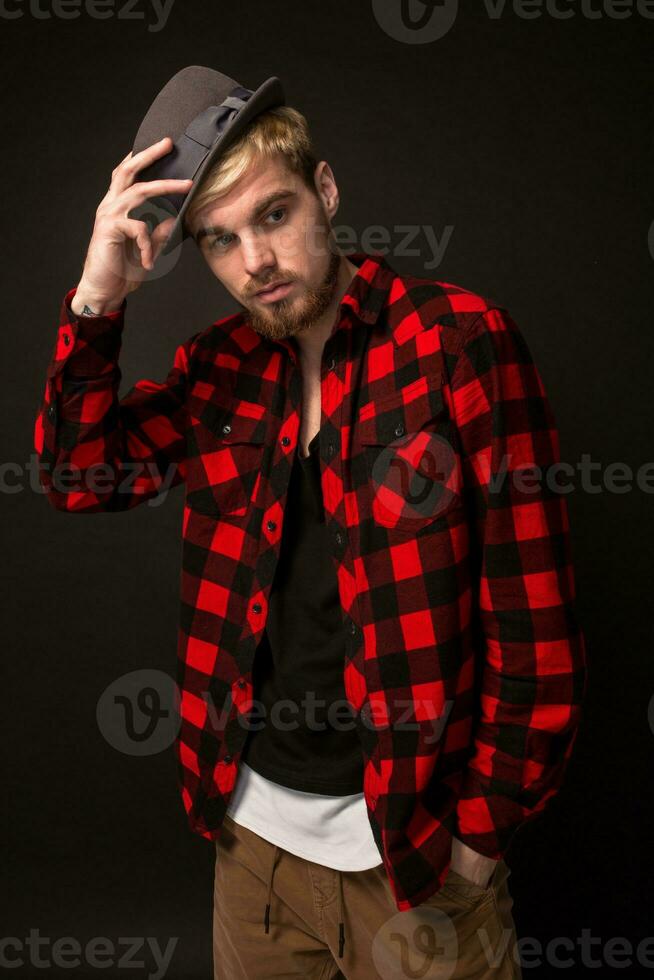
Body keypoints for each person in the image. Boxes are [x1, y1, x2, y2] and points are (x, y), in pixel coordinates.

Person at [34, 78, 587, 980]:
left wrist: (480, 840)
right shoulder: (218, 370)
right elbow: (77, 475)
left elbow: (537, 627)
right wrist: (100, 295)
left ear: (324, 192)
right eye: (221, 238)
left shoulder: (458, 343)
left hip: (416, 861)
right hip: (251, 849)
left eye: (276, 214)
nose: (257, 260)